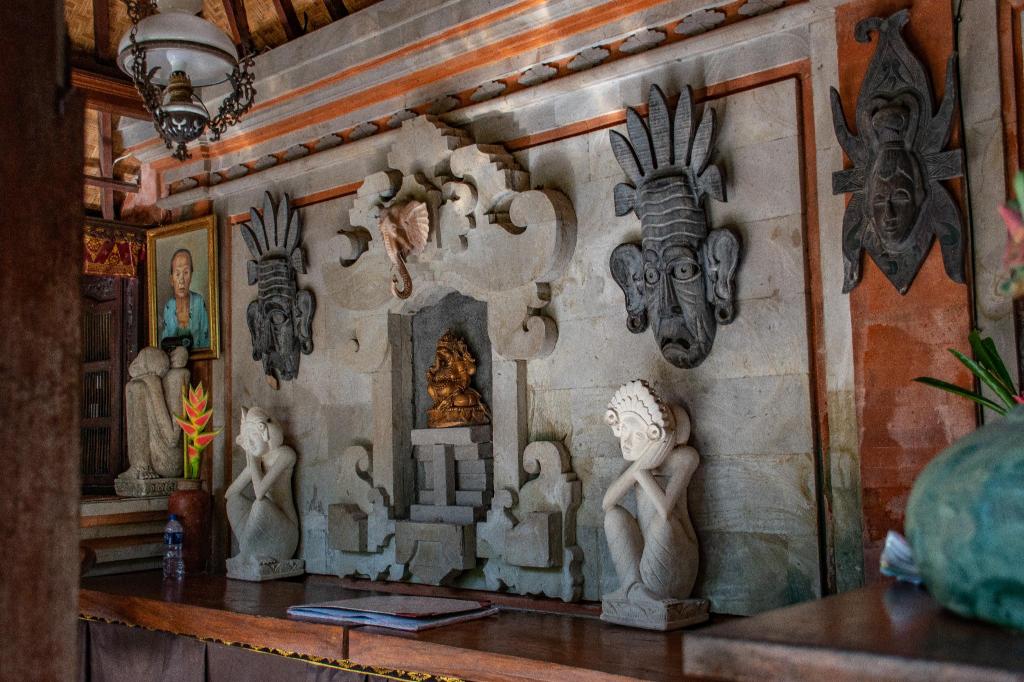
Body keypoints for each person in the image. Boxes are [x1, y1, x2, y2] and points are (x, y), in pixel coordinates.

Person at [161, 248, 210, 348]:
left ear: (191, 276)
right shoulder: (168, 307)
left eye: (186, 272)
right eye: (177, 273)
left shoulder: (199, 302)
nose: (181, 280)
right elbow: (165, 344)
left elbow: (206, 341)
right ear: (171, 279)